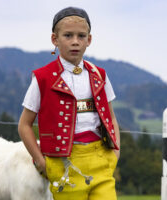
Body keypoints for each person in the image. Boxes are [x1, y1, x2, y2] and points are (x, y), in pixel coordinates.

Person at [18, 6, 120, 200]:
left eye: (81, 36)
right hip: (64, 164)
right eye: (68, 35)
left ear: (89, 40)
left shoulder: (99, 74)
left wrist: (115, 153)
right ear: (54, 40)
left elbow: (111, 118)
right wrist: (41, 162)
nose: (75, 42)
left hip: (101, 158)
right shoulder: (43, 78)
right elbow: (24, 125)